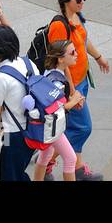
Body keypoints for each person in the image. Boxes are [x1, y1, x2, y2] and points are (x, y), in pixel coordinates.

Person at [46, 0, 110, 180]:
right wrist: (72, 92)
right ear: (66, 1)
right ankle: (47, 161)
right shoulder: (59, 25)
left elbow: (83, 40)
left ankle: (78, 169)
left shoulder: (76, 16)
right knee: (83, 127)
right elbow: (60, 62)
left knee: (73, 127)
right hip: (70, 85)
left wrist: (98, 57)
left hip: (81, 80)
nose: (83, 2)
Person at [0, 26, 36, 181]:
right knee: (19, 171)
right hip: (33, 128)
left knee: (9, 174)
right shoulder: (27, 63)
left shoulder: (0, 77)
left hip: (12, 134)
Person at [32, 40, 85, 181]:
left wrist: (73, 98)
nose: (76, 54)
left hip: (48, 125)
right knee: (70, 158)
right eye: (72, 52)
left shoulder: (52, 73)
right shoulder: (57, 82)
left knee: (45, 156)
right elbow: (57, 107)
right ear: (61, 59)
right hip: (53, 127)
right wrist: (73, 101)